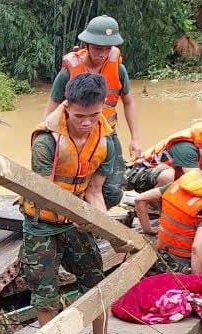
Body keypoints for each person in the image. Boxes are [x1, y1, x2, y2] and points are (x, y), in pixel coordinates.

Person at [18, 73, 131, 334]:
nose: (86, 122)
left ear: (103, 107)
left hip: (74, 222)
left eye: (93, 116)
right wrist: (78, 215)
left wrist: (108, 230)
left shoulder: (105, 141)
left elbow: (94, 192)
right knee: (45, 291)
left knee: (95, 278)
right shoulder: (46, 141)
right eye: (80, 115)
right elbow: (45, 193)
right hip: (41, 223)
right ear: (67, 107)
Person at [44, 15, 141, 209]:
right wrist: (47, 136)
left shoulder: (118, 70)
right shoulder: (68, 72)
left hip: (107, 135)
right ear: (86, 45)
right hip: (75, 136)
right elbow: (52, 104)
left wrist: (135, 138)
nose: (103, 53)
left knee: (113, 192)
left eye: (108, 48)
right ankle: (75, 218)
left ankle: (93, 207)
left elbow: (128, 102)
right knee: (69, 183)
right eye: (98, 48)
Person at [133, 161, 202, 275]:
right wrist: (197, 279)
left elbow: (140, 200)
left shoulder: (181, 185)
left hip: (159, 254)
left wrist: (148, 230)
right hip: (181, 264)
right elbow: (197, 246)